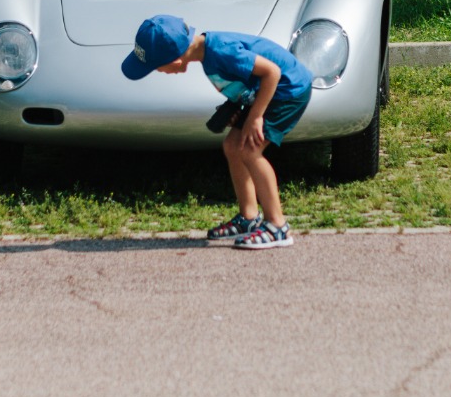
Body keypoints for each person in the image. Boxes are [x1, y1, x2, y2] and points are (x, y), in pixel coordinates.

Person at [121, 13, 313, 249]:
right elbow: (247, 79)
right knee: (232, 146)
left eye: (155, 67)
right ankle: (249, 218)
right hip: (266, 93)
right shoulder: (207, 54)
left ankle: (277, 227)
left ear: (175, 61)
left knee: (250, 151)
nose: (158, 72)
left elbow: (271, 73)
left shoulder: (221, 52)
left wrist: (255, 117)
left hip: (287, 91)